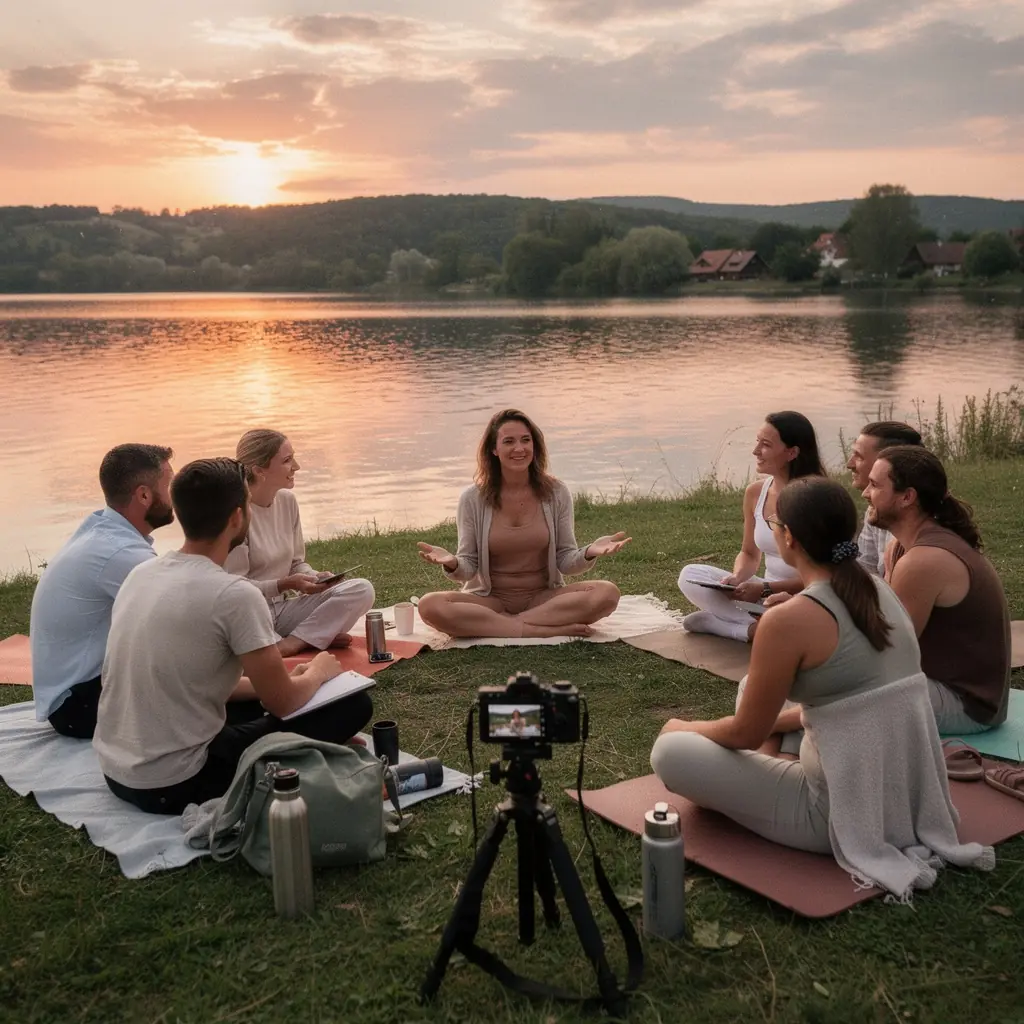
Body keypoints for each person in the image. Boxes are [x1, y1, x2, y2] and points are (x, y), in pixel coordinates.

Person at [651, 478, 993, 897]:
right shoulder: (878, 588)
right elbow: (858, 699)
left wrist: (682, 725)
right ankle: (768, 768)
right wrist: (776, 725)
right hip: (904, 797)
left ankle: (761, 775)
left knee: (670, 753)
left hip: (840, 814)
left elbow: (746, 733)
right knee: (751, 690)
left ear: (788, 537)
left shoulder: (789, 620)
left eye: (774, 523)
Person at [94, 458, 373, 816]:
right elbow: (284, 703)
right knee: (353, 704)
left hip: (117, 772)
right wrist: (318, 671)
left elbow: (196, 680)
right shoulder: (235, 594)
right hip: (178, 782)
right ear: (237, 517)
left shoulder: (141, 574)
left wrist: (284, 680)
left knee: (264, 699)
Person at [416, 409, 627, 638]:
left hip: (544, 600)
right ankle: (537, 630)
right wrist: (452, 562)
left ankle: (505, 626)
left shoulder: (556, 492)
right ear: (494, 450)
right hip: (489, 601)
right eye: (509, 441)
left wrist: (589, 552)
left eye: (526, 440)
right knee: (430, 605)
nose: (520, 448)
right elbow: (468, 567)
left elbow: (566, 562)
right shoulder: (472, 499)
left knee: (607, 594)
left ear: (534, 445)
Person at [29, 444, 175, 739]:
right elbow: (187, 615)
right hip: (78, 706)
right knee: (197, 689)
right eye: (170, 486)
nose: (177, 496)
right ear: (144, 495)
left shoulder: (105, 530)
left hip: (74, 693)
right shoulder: (118, 552)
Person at [864, 445, 1011, 734]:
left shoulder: (923, 560)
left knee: (837, 690)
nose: (865, 493)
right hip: (933, 684)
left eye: (874, 485)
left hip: (966, 706)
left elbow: (890, 649)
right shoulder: (901, 547)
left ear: (907, 497)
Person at [224, 429, 375, 657]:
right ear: (259, 470)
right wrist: (285, 584)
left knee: (362, 589)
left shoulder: (287, 501)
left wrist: (314, 577)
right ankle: (309, 638)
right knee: (256, 644)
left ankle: (297, 640)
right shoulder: (237, 514)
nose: (296, 466)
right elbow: (235, 588)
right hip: (251, 615)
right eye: (287, 460)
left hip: (283, 610)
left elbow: (296, 563)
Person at [678, 411, 826, 642]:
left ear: (792, 452)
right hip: (765, 594)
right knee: (690, 575)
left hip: (806, 595)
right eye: (757, 442)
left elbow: (825, 577)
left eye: (765, 445)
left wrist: (766, 588)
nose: (755, 451)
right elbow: (748, 553)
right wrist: (737, 578)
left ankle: (740, 629)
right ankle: (760, 625)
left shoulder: (817, 497)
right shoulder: (756, 492)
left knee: (796, 615)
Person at [845, 420, 923, 576]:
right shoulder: (875, 509)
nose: (849, 464)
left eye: (859, 457)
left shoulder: (921, 539)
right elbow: (865, 570)